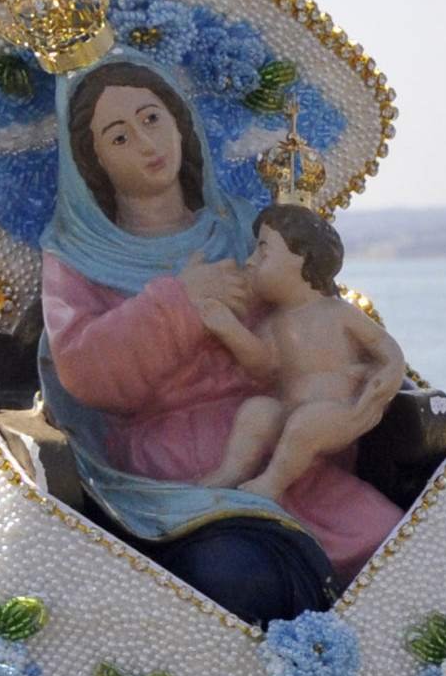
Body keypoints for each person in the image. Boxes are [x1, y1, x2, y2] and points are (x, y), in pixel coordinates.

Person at [35, 53, 401, 620]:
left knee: (390, 543)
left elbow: (309, 318)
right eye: (119, 136)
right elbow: (85, 370)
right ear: (94, 160)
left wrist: (343, 390)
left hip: (283, 451)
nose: (146, 142)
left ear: (181, 120)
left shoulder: (246, 228)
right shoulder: (76, 257)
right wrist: (180, 301)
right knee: (239, 578)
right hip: (170, 472)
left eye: (152, 118)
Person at [195, 205, 409, 501]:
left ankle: (272, 483)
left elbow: (385, 347)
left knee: (305, 423)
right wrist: (228, 328)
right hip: (290, 412)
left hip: (340, 414)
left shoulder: (338, 313)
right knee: (256, 410)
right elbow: (262, 366)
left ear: (302, 257)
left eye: (263, 252)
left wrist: (388, 373)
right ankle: (231, 471)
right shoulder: (274, 323)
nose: (250, 262)